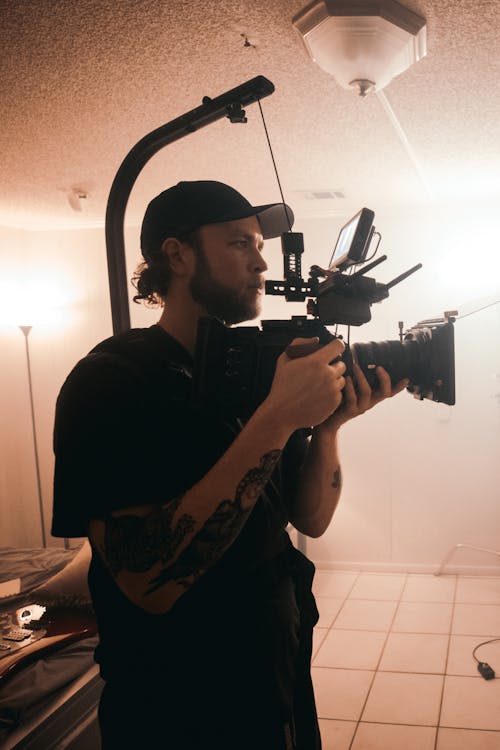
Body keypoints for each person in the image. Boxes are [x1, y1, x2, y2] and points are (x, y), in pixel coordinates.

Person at [51, 180, 408, 749]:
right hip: (177, 704)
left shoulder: (253, 372)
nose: (262, 262)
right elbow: (147, 581)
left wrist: (328, 427)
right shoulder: (112, 382)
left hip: (277, 671)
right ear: (178, 254)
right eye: (241, 243)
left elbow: (310, 519)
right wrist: (275, 419)